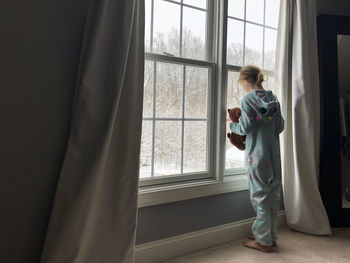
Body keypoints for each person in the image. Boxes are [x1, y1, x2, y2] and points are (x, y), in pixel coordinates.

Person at [230, 65, 285, 253]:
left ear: (245, 81)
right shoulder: (273, 98)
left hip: (257, 159)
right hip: (275, 158)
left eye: (242, 85)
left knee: (260, 200)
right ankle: (270, 236)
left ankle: (263, 242)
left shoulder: (248, 100)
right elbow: (279, 127)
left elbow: (244, 127)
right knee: (272, 199)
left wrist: (231, 126)